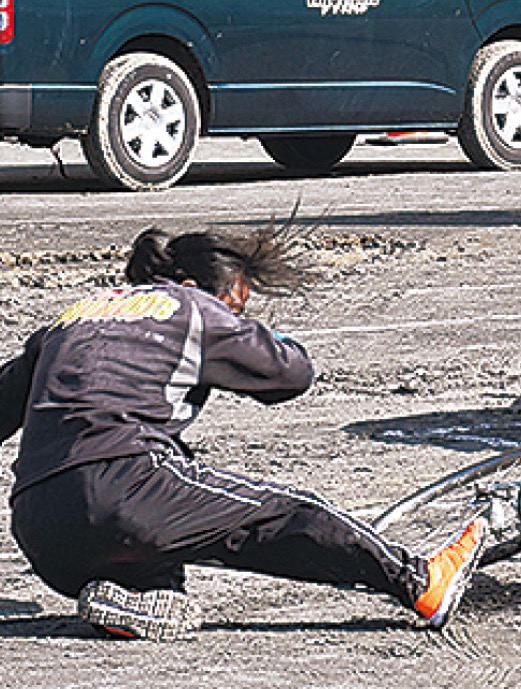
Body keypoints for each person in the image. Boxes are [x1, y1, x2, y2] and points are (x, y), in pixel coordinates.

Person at [0, 226, 488, 641]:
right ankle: (421, 582)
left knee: (177, 476)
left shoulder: (71, 318)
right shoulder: (190, 306)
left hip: (39, 528)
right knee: (289, 513)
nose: (236, 316)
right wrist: (248, 330)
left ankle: (141, 594)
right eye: (237, 305)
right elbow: (290, 374)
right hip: (120, 488)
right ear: (194, 284)